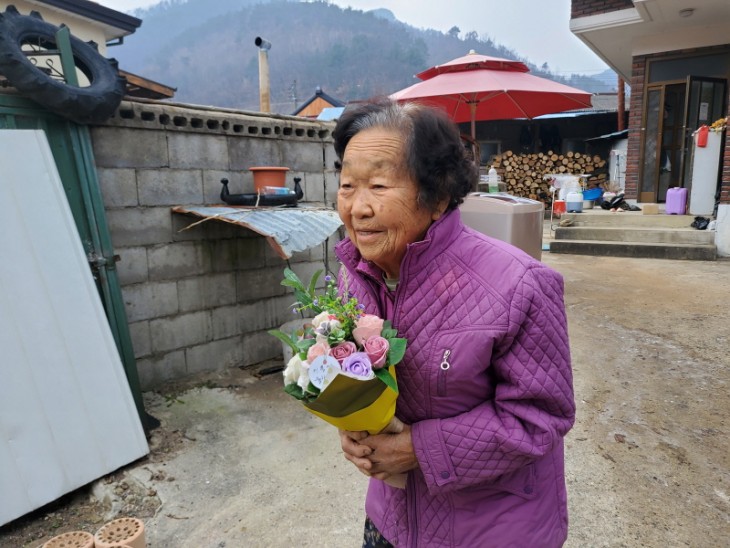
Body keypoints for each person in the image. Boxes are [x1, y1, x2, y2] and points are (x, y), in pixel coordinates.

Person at [332, 97, 575, 547]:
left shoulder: (520, 285)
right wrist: (357, 433)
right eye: (348, 185)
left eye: (380, 186)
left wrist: (417, 450)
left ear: (438, 197)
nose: (357, 208)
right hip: (392, 522)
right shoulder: (354, 278)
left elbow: (541, 417)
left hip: (493, 530)